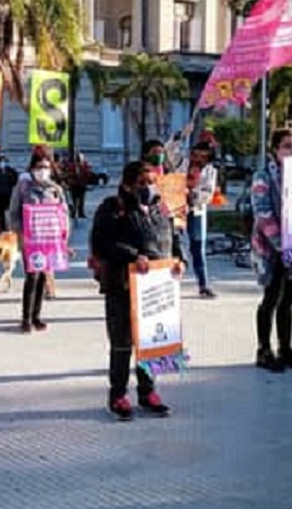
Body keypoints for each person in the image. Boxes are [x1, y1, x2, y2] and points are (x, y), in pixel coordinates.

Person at [91, 161, 184, 421]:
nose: (148, 188)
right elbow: (102, 243)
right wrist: (133, 256)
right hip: (123, 284)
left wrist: (180, 259)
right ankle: (118, 395)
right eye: (142, 183)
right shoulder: (113, 208)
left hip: (157, 287)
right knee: (122, 343)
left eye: (151, 183)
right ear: (127, 184)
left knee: (152, 339)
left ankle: (148, 391)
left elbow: (175, 238)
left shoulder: (161, 208)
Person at [251, 128, 292, 372]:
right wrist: (282, 246)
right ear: (275, 150)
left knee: (289, 300)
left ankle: (286, 349)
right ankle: (264, 351)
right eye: (286, 146)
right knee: (271, 298)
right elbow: (263, 214)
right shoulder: (263, 177)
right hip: (271, 250)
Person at [7, 148, 68, 333]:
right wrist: (20, 232)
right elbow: (13, 213)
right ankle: (26, 318)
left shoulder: (55, 189)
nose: (43, 170)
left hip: (49, 241)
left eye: (46, 167)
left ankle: (36, 316)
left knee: (43, 277)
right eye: (39, 167)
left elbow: (63, 214)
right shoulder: (23, 187)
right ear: (32, 168)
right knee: (32, 276)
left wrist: (64, 237)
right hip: (30, 241)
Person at [186, 142, 219, 298]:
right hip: (176, 208)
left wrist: (190, 193)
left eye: (203, 156)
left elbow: (207, 195)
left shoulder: (210, 171)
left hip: (196, 210)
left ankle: (203, 284)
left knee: (198, 247)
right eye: (196, 154)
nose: (198, 159)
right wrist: (181, 137)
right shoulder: (182, 163)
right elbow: (169, 151)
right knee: (173, 245)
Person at [66, 151, 91, 220]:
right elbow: (69, 174)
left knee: (82, 200)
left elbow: (88, 174)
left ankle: (81, 213)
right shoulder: (72, 166)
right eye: (78, 159)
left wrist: (86, 179)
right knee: (74, 200)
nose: (79, 161)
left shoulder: (85, 165)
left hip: (82, 185)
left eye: (80, 159)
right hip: (74, 185)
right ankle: (73, 213)